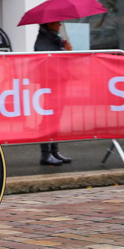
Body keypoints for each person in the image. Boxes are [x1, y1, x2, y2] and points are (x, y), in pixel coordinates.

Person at [34, 21, 73, 165]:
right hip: (50, 83)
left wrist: (64, 48)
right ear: (48, 24)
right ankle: (46, 154)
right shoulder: (44, 39)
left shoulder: (54, 38)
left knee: (56, 117)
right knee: (49, 117)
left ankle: (54, 151)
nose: (60, 25)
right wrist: (64, 51)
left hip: (58, 81)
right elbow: (49, 58)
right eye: (57, 22)